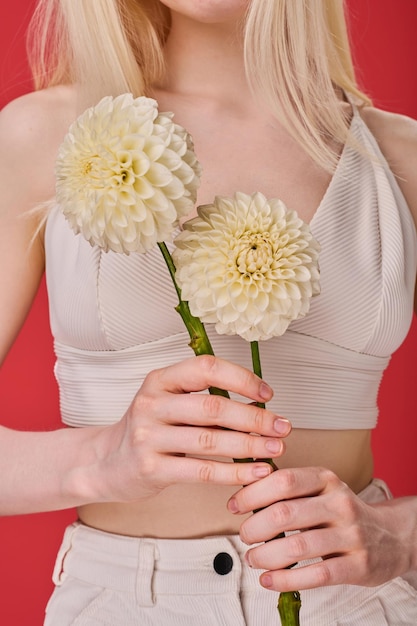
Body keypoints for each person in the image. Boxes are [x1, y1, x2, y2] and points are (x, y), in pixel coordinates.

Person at [0, 0, 416, 624]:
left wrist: (401, 534)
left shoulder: (399, 157)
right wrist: (94, 462)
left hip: (358, 607)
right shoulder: (47, 139)